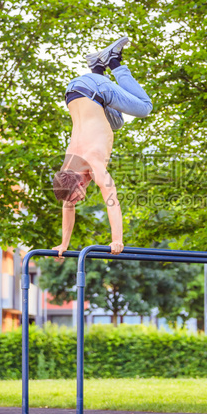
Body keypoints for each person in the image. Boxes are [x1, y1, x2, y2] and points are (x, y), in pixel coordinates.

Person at [52, 36, 152, 262]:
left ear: (77, 183)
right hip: (74, 93)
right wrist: (64, 244)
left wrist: (117, 239)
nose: (77, 201)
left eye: (76, 198)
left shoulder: (92, 163)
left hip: (94, 90)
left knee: (145, 108)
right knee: (117, 123)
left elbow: (112, 200)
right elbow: (67, 209)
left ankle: (114, 61)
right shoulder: (67, 172)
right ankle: (97, 66)